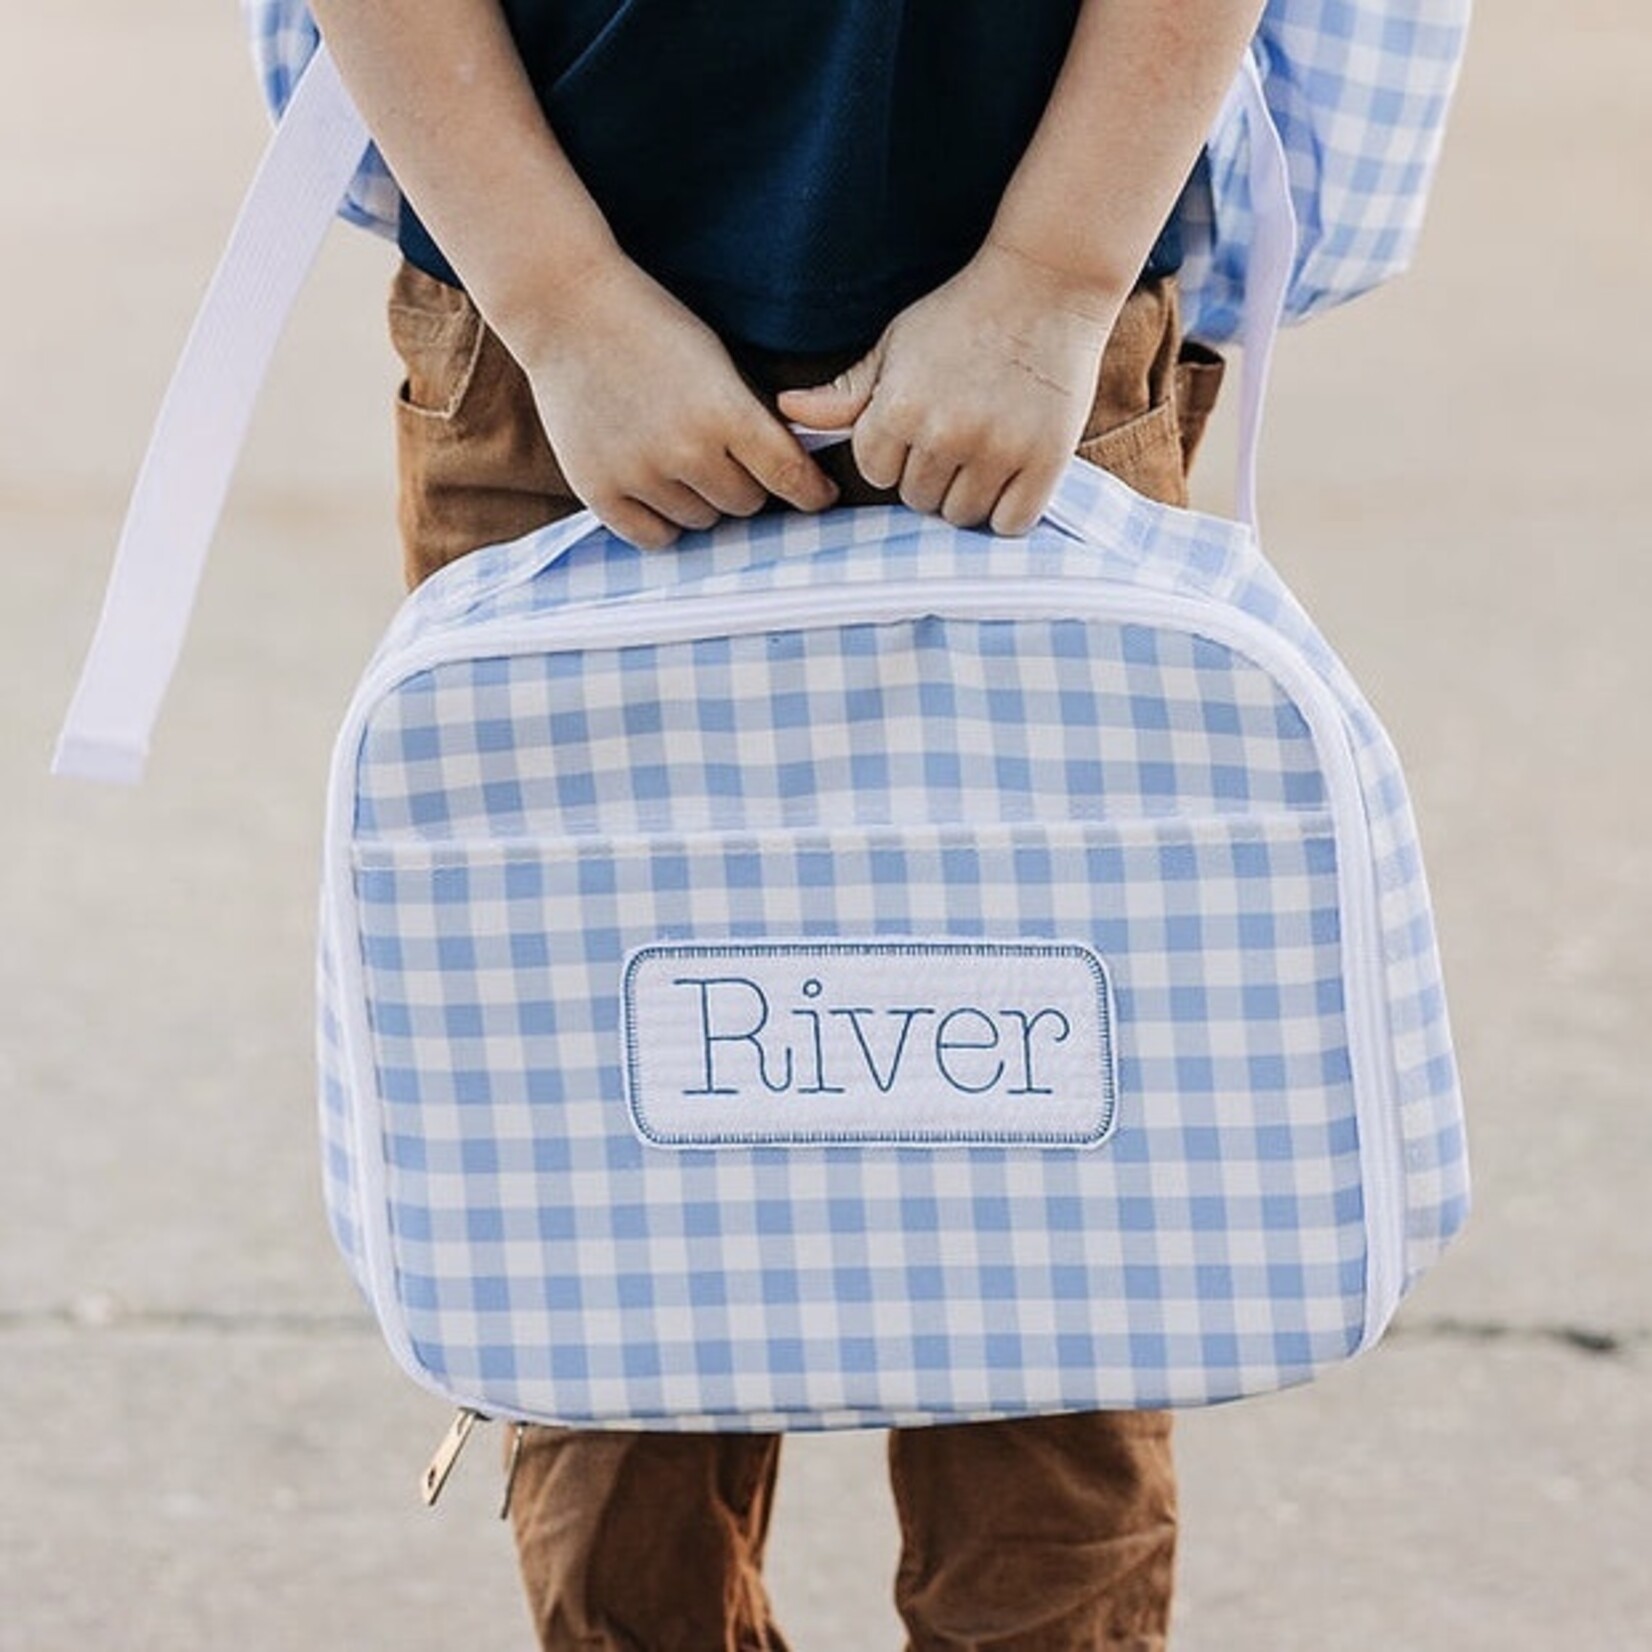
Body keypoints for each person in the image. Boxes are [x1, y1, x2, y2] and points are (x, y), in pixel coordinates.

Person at [309, 3, 1263, 1646]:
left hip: (1037, 325)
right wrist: (564, 302)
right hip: (548, 348)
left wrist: (1050, 279)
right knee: (609, 1194)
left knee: (1054, 1178)